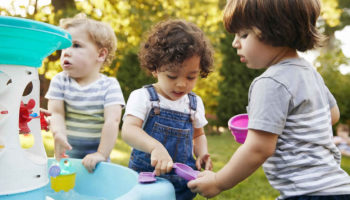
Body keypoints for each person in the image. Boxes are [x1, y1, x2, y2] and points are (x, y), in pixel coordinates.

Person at [188, 0, 350, 199]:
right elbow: (332, 115)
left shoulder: (270, 82)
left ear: (276, 30)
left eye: (244, 34)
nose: (235, 43)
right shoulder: (310, 72)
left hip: (308, 193)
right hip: (339, 187)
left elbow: (258, 149)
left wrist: (217, 181)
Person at [121, 19, 213, 200]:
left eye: (191, 77)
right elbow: (129, 130)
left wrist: (202, 153)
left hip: (181, 183)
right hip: (146, 181)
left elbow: (198, 134)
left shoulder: (194, 103)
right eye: (172, 76)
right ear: (155, 68)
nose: (181, 84)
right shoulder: (143, 97)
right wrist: (155, 147)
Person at [46, 14, 125, 173]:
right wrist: (58, 133)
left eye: (75, 45)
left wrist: (101, 154)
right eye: (64, 47)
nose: (66, 52)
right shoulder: (60, 81)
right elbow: (56, 113)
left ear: (101, 54)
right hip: (66, 155)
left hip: (97, 160)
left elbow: (112, 120)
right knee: (65, 191)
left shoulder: (109, 85)